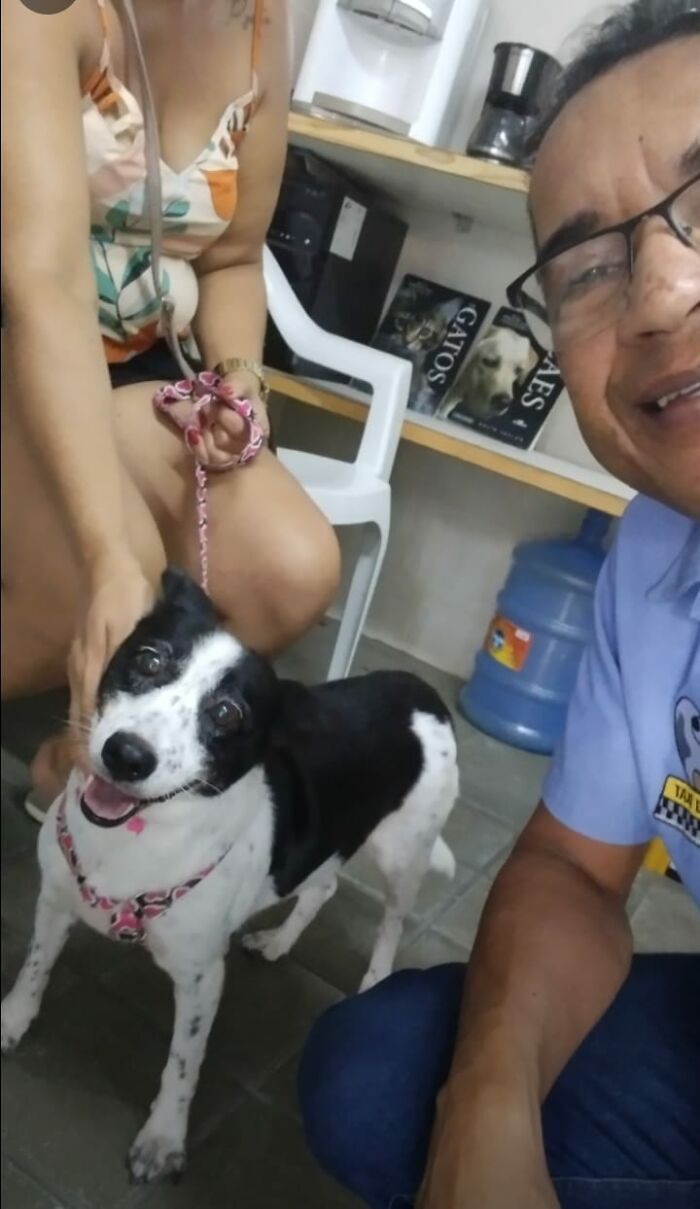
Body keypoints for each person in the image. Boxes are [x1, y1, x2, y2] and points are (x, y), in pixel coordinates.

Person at [297, 2, 700, 1207]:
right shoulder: (654, 558)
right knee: (382, 1080)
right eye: (587, 266)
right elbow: (576, 869)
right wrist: (486, 1108)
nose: (659, 293)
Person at [1, 0, 340, 814]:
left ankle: (74, 768)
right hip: (23, 337)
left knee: (292, 568)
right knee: (100, 576)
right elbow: (42, 282)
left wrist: (237, 382)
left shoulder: (260, 25)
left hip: (144, 365)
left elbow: (232, 257)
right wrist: (111, 558)